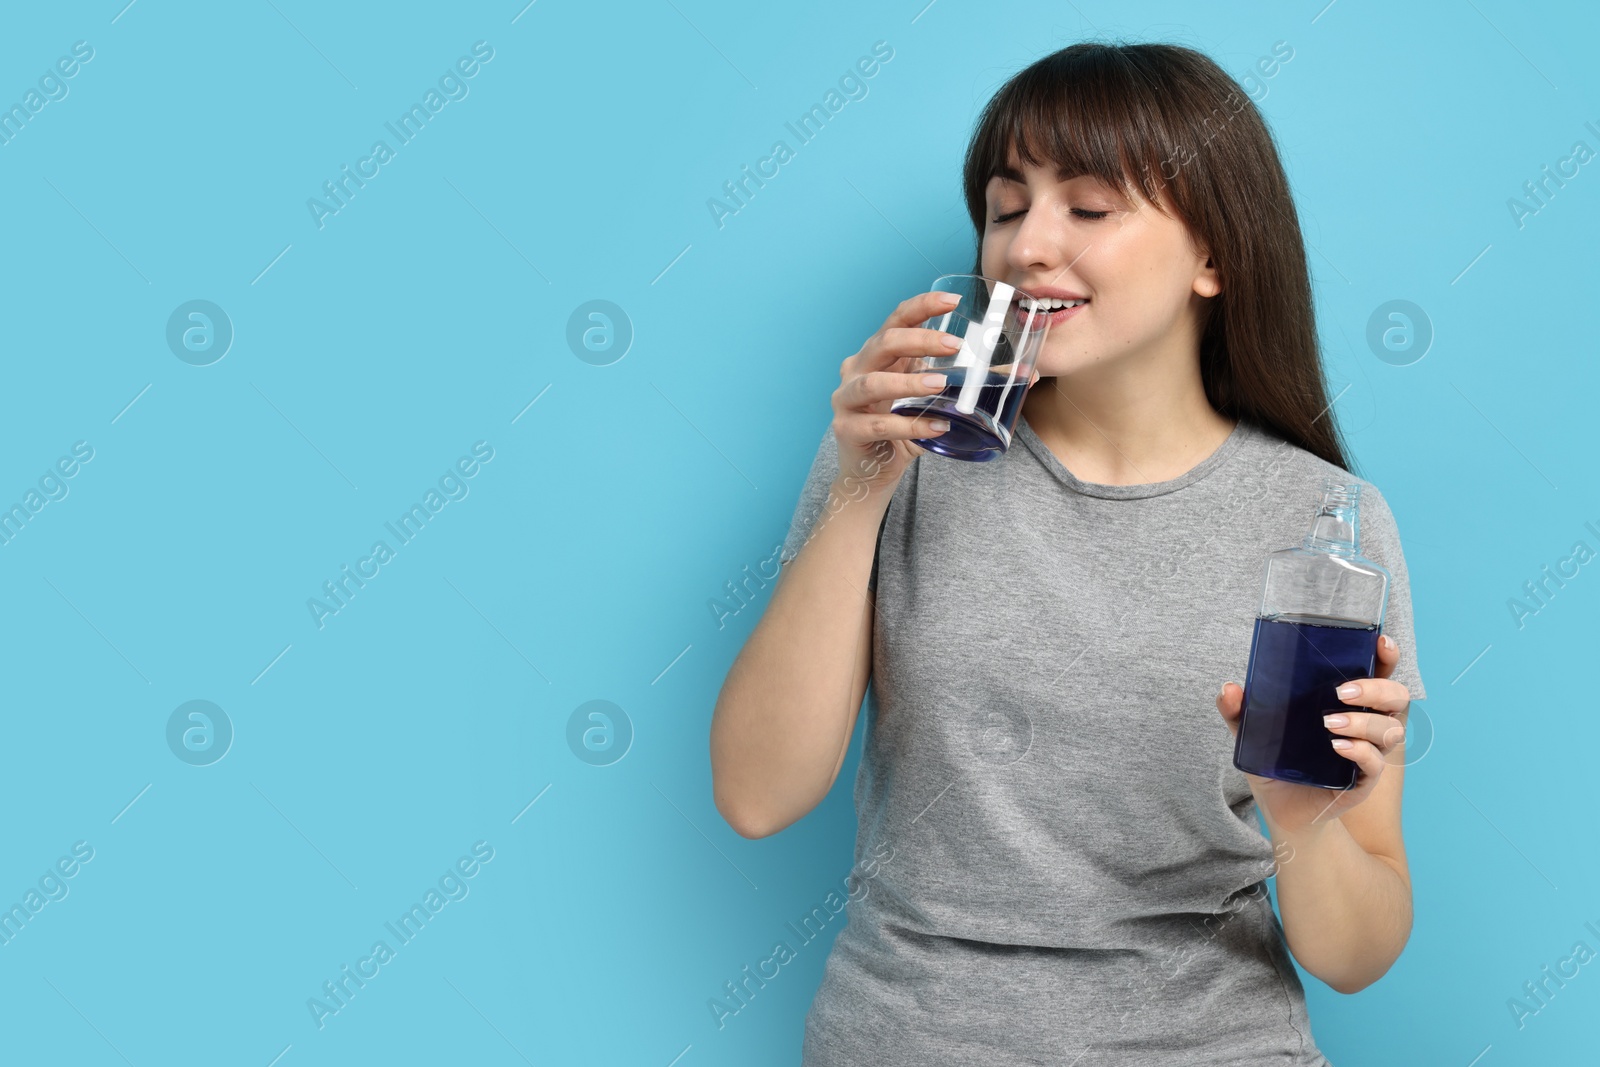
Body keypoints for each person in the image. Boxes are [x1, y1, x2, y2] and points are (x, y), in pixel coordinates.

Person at [709, 40, 1426, 1066]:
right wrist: (861, 489)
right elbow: (756, 794)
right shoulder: (893, 456)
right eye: (1006, 207)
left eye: (1087, 209)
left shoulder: (1327, 520)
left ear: (1214, 257)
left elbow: (1355, 952)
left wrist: (1301, 813)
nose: (1028, 245)